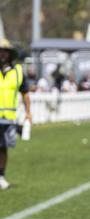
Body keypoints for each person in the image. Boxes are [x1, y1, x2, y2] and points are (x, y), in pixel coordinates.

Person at [0, 38, 31, 190]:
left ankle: (1, 176)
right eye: (0, 51)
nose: (2, 54)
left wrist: (28, 112)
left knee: (3, 147)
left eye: (5, 51)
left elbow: (25, 93)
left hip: (8, 118)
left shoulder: (17, 71)